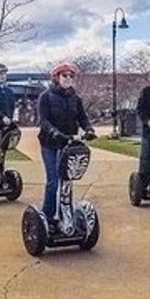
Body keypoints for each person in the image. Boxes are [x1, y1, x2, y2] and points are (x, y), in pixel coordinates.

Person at [37, 62, 95, 228]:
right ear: (56, 78)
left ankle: (65, 215)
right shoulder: (46, 96)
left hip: (68, 144)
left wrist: (89, 129)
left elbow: (82, 118)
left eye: (71, 76)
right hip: (50, 144)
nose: (68, 78)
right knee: (53, 181)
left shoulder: (75, 98)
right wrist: (55, 133)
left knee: (67, 181)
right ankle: (47, 218)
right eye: (65, 75)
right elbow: (43, 120)